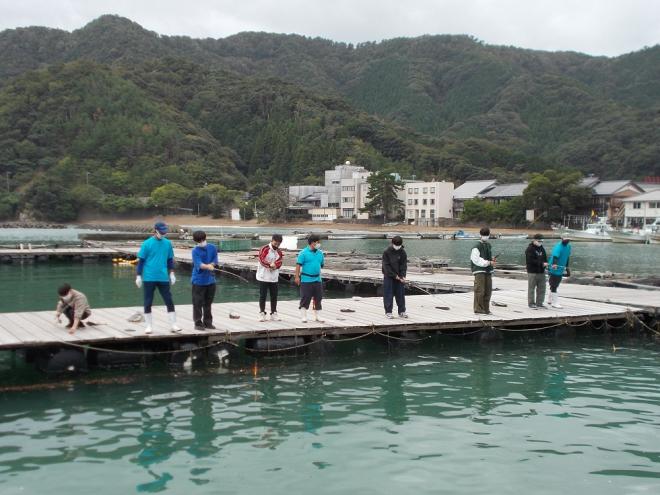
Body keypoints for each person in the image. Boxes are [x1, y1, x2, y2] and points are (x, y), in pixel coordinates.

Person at [135, 221, 181, 334]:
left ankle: (173, 324)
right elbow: (141, 261)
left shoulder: (168, 243)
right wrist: (138, 276)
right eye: (161, 232)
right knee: (148, 301)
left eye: (165, 232)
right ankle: (148, 326)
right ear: (156, 230)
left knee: (169, 300)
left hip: (163, 277)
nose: (163, 234)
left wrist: (172, 273)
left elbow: (170, 260)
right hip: (149, 277)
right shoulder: (147, 244)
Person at [191, 230, 219, 331]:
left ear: (205, 238)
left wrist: (212, 264)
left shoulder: (212, 247)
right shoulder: (195, 251)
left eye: (203, 239)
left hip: (211, 280)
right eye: (199, 241)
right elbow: (198, 264)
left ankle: (208, 322)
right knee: (197, 303)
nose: (202, 242)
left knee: (208, 303)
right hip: (198, 281)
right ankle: (198, 323)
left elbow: (215, 259)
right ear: (196, 241)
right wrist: (207, 266)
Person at [295, 234, 325, 323]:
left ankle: (318, 316)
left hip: (317, 279)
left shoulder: (320, 253)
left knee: (318, 297)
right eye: (317, 242)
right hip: (306, 279)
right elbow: (298, 265)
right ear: (312, 243)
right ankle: (303, 316)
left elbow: (321, 265)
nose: (319, 244)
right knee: (305, 297)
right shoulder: (303, 253)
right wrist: (297, 276)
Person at [257, 234, 284, 322]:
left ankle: (273, 313)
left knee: (274, 296)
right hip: (263, 276)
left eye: (278, 244)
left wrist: (275, 266)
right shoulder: (264, 249)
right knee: (263, 296)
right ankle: (262, 313)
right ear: (272, 240)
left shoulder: (279, 252)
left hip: (274, 277)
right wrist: (269, 265)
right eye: (275, 243)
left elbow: (280, 261)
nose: (276, 246)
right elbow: (261, 259)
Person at [470, 226, 496, 314]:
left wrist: (491, 259)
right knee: (480, 290)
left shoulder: (488, 245)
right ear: (481, 235)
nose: (486, 236)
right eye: (484, 235)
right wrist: (487, 262)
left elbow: (487, 256)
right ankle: (478, 309)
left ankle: (486, 309)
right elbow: (475, 259)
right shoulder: (476, 246)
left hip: (488, 271)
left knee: (488, 290)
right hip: (479, 271)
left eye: (487, 235)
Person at [382, 235, 408, 318]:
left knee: (400, 294)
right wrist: (394, 276)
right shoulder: (386, 252)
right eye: (396, 245)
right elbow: (386, 266)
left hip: (399, 277)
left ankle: (402, 311)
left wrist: (403, 276)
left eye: (399, 245)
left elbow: (403, 265)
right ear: (392, 243)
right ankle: (388, 312)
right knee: (388, 294)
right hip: (389, 276)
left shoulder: (402, 252)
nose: (397, 247)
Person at [547, 234, 572, 309]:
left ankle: (550, 299)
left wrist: (567, 268)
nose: (566, 241)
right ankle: (554, 303)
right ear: (562, 239)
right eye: (565, 239)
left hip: (561, 267)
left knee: (555, 284)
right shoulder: (558, 246)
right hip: (554, 267)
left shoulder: (569, 246)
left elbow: (567, 257)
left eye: (568, 240)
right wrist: (554, 264)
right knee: (554, 284)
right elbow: (555, 256)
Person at [525, 233, 548, 309]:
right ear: (534, 240)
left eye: (541, 241)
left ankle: (540, 303)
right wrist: (541, 263)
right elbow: (530, 260)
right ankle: (531, 303)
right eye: (539, 241)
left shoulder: (542, 248)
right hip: (532, 272)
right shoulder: (529, 249)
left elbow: (545, 258)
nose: (540, 242)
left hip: (541, 271)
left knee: (542, 288)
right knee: (531, 288)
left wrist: (546, 264)